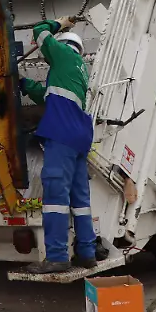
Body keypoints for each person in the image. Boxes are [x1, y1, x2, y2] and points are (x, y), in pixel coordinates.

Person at [18, 17, 97, 274]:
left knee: (55, 198)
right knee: (80, 200)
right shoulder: (77, 69)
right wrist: (23, 84)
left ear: (63, 45)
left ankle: (57, 257)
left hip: (61, 137)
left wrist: (58, 23)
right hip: (79, 138)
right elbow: (47, 95)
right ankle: (87, 253)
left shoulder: (62, 54)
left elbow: (39, 31)